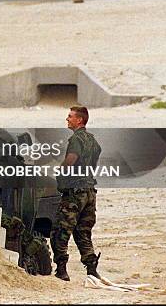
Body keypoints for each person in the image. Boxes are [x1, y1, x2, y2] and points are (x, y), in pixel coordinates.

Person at [50, 105, 102, 282]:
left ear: (79, 120)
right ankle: (92, 269)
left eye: (70, 116)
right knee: (83, 232)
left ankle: (61, 270)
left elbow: (71, 159)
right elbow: (95, 159)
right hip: (89, 191)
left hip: (75, 193)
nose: (67, 119)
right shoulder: (92, 141)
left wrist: (59, 173)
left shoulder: (76, 139)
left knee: (60, 231)